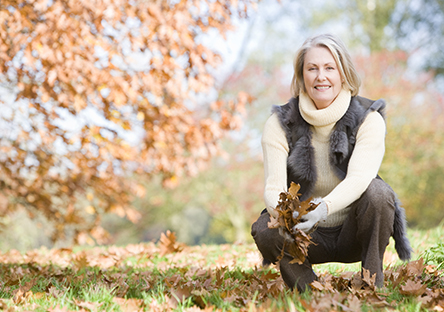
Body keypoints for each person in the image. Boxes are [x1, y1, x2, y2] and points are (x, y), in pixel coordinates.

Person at [251, 33, 412, 292]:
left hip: (354, 231)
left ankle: (373, 286)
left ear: (344, 74)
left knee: (379, 193)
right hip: (304, 234)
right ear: (302, 76)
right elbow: (273, 188)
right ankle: (309, 293)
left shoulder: (368, 118)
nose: (320, 76)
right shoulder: (279, 122)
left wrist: (323, 208)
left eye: (329, 68)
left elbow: (360, 178)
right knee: (265, 227)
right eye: (312, 68)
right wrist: (287, 216)